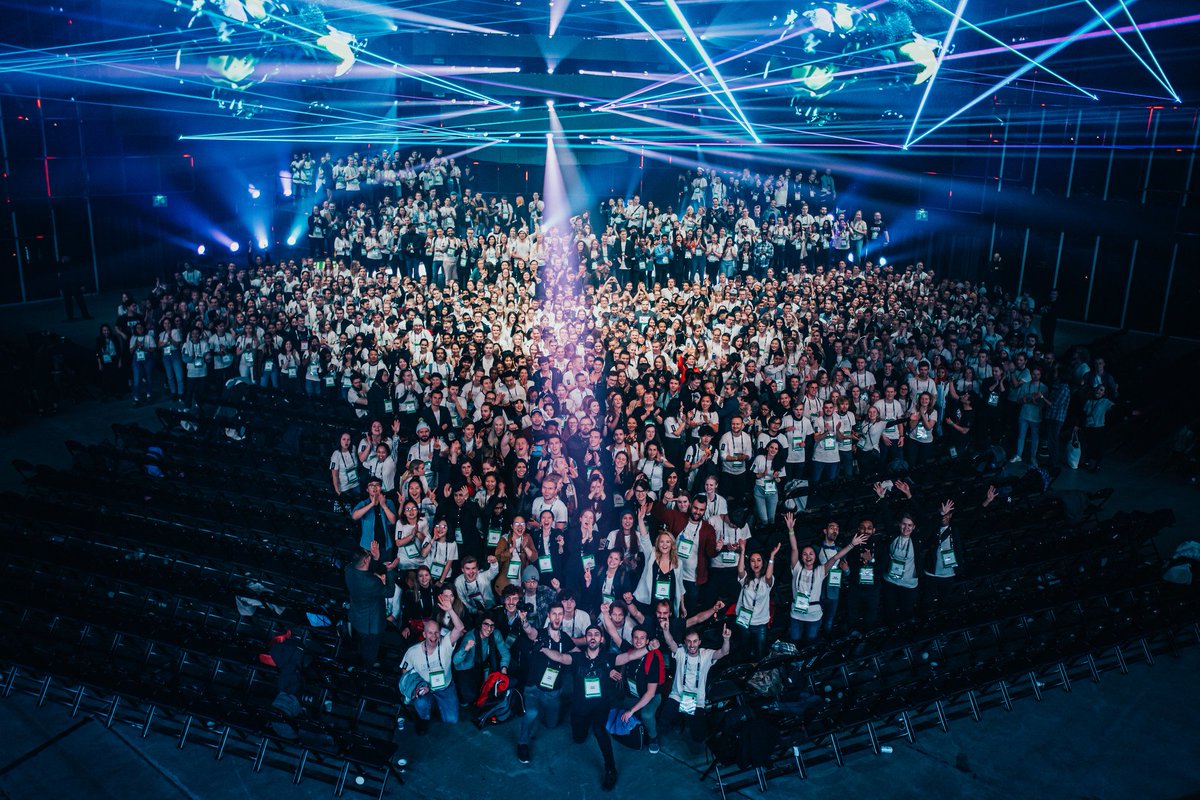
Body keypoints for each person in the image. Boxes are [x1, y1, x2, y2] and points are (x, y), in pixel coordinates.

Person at [785, 512, 868, 642]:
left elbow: (836, 557)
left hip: (817, 611)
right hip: (797, 613)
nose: (808, 556)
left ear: (815, 557)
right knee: (795, 639)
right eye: (805, 554)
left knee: (812, 640)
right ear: (802, 557)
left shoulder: (820, 571)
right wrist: (791, 530)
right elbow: (794, 548)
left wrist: (852, 544)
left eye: (811, 554)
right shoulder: (797, 569)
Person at [399, 592, 466, 732]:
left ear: (440, 632)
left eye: (436, 632)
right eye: (430, 633)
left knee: (452, 720)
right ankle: (423, 716)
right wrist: (416, 687)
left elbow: (459, 628)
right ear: (424, 635)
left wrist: (449, 610)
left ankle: (438, 704)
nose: (434, 636)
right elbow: (404, 673)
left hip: (445, 686)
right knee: (422, 704)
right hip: (425, 687)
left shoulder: (446, 642)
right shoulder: (413, 652)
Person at [658, 623, 731, 744]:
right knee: (663, 720)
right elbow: (670, 642)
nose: (692, 645)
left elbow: (724, 652)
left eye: (695, 641)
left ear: (699, 642)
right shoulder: (681, 651)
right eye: (689, 641)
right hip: (677, 695)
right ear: (685, 642)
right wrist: (665, 630)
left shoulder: (706, 654)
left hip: (696, 700)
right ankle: (677, 721)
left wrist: (726, 639)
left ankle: (687, 721)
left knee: (698, 737)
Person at [344, 546, 390, 668]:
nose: (369, 553)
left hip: (357, 617)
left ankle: (359, 662)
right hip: (372, 623)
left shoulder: (348, 569)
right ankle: (367, 671)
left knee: (360, 644)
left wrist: (375, 559)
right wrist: (390, 571)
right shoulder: (372, 582)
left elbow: (366, 573)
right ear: (365, 561)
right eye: (368, 554)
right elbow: (389, 592)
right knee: (370, 652)